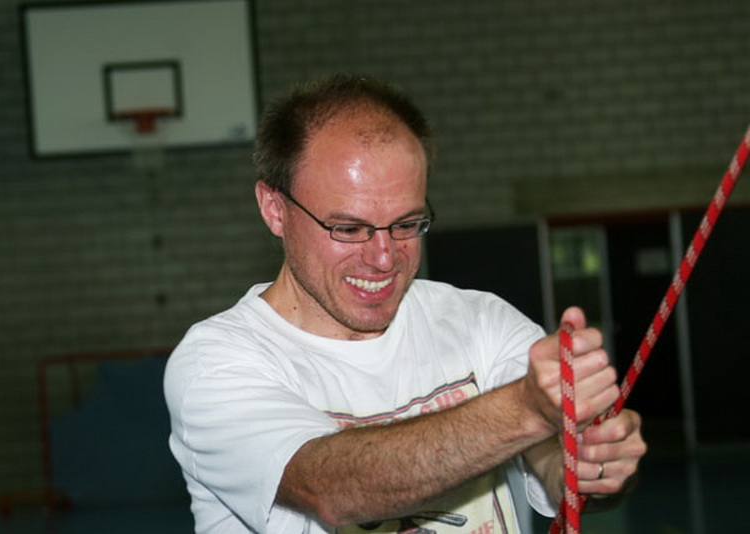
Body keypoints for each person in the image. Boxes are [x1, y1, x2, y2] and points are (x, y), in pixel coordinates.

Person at [164, 74, 646, 534]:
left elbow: (553, 467)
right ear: (275, 210)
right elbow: (331, 488)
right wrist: (524, 410)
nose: (383, 257)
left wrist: (592, 467)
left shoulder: (481, 322)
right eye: (348, 228)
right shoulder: (216, 363)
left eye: (406, 224)